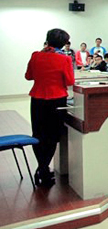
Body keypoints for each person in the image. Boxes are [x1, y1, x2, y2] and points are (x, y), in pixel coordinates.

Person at [25, 28, 75, 187]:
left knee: (38, 134)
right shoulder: (64, 59)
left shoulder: (36, 55)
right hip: (57, 100)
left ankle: (42, 168)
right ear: (63, 43)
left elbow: (28, 76)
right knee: (52, 136)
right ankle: (43, 169)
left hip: (37, 99)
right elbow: (70, 81)